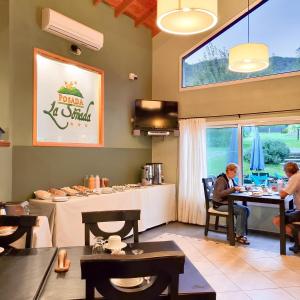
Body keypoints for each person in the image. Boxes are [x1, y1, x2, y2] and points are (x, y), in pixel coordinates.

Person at [213, 163, 250, 245]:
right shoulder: (221, 179)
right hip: (219, 205)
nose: (236, 174)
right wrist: (234, 189)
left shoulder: (230, 179)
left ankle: (236, 233)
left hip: (227, 203)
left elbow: (235, 188)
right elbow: (220, 194)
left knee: (246, 210)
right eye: (235, 172)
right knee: (242, 210)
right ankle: (239, 235)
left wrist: (243, 188)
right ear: (229, 170)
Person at [272, 162, 300, 252]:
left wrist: (279, 188)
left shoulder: (295, 178)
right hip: (298, 209)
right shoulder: (298, 175)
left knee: (278, 220)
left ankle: (299, 242)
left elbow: (283, 194)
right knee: (286, 215)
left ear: (288, 172)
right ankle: (298, 243)